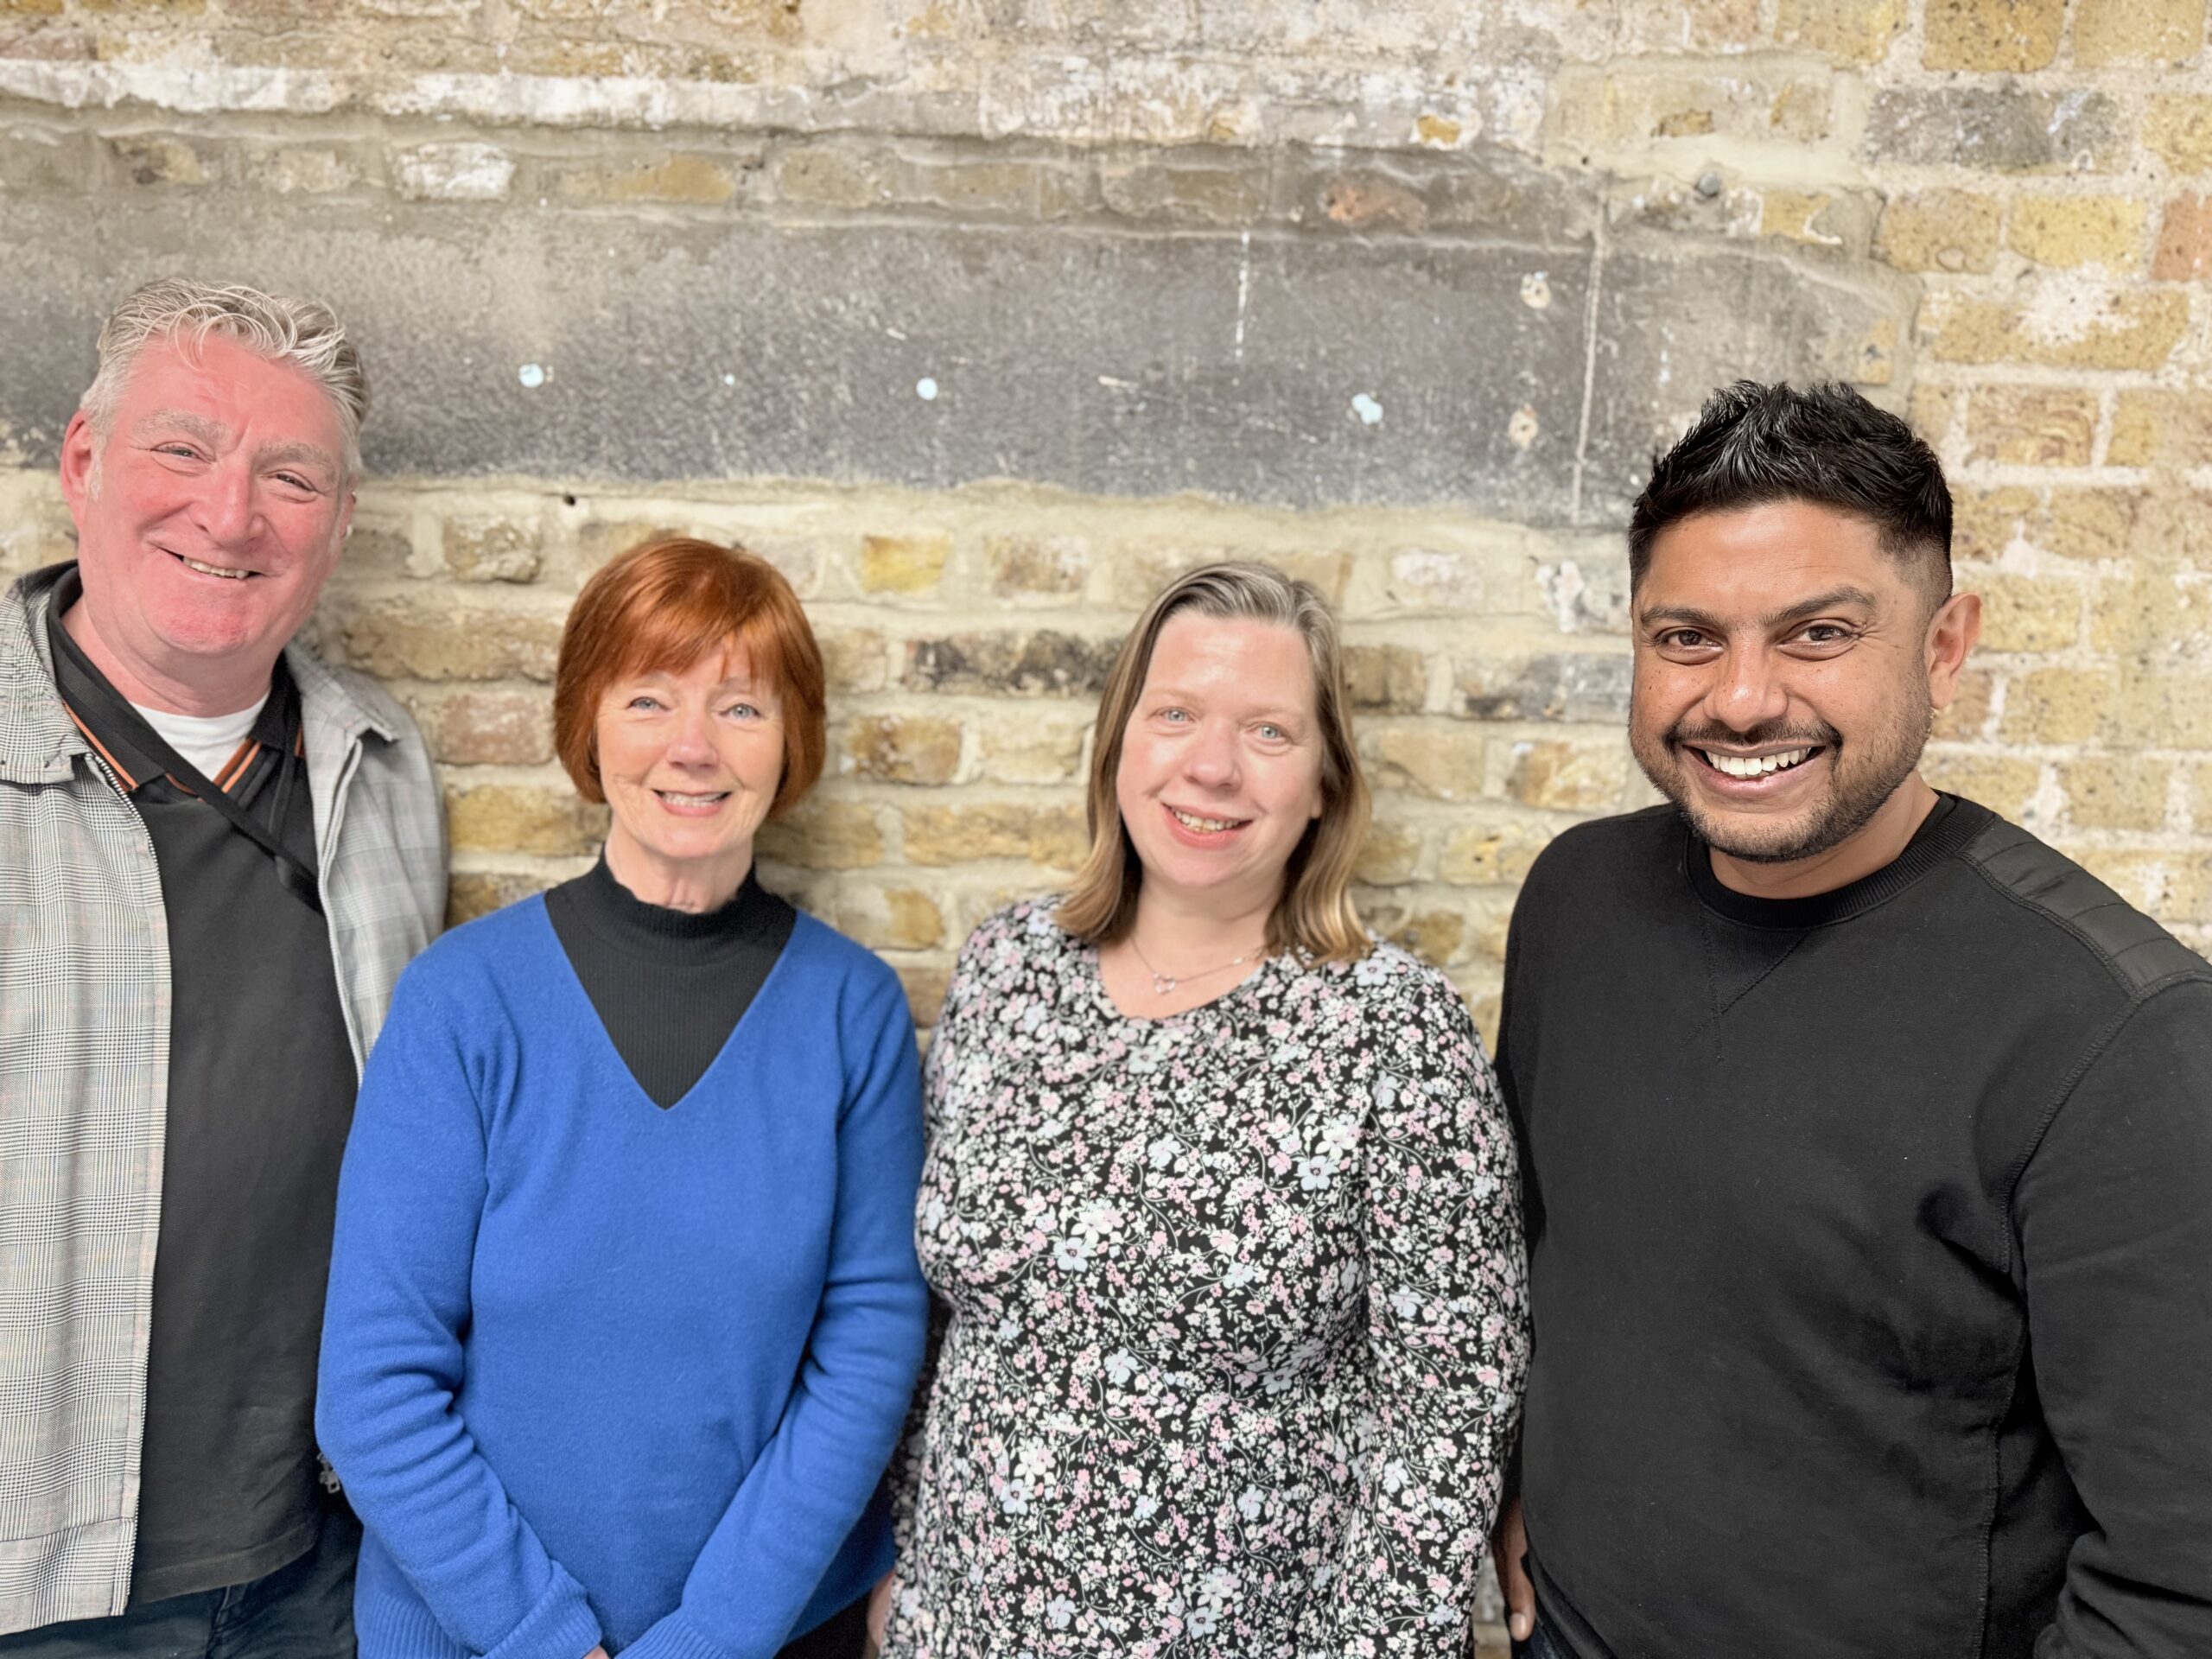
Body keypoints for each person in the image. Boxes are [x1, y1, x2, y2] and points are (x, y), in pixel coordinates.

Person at [1490, 381, 2212, 1657]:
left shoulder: (2116, 1034)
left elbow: (2180, 1576)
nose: (1741, 699)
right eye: (1687, 637)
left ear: (1944, 647)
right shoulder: (1577, 900)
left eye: (1817, 634)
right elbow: (1542, 1263)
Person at [881, 561, 1529, 1659]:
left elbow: (1451, 1409)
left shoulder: (1394, 1030)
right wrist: (905, 1563)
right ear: (1119, 744)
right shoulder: (1006, 967)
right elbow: (949, 1328)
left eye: (1268, 731)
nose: (1212, 766)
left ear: (1323, 784)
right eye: (1175, 714)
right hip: (960, 1626)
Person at [316, 537, 930, 1659]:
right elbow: (372, 1385)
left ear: (791, 741)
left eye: (740, 708)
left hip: (769, 1634)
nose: (693, 746)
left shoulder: (852, 1013)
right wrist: (543, 1638)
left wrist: (713, 1639)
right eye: (648, 699)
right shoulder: (464, 1000)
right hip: (471, 1633)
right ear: (587, 726)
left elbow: (866, 1352)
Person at [0, 278, 445, 1654]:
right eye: (182, 449)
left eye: (290, 476)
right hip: (35, 1589)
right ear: (84, 461)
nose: (232, 513)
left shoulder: (382, 765)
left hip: (320, 1567)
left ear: (341, 521)